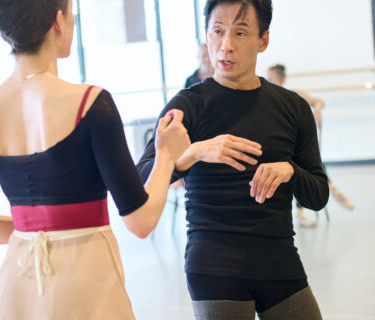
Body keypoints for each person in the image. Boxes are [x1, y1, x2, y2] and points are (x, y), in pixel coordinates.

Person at [0, 0, 190, 319]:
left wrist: (35, 227)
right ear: (58, 22)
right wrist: (166, 155)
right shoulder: (91, 104)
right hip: (86, 278)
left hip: (19, 281)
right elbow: (140, 220)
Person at [137, 0, 328, 319]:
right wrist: (194, 153)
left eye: (240, 33)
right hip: (213, 265)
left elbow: (318, 196)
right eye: (217, 31)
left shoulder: (293, 108)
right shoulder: (188, 106)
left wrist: (290, 171)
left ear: (263, 40)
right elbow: (140, 179)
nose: (225, 46)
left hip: (278, 259)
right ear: (207, 36)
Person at [266, 64, 355, 228]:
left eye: (272, 79)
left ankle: (328, 193)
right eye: (267, 79)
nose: (269, 82)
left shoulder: (294, 96)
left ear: (282, 79)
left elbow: (319, 101)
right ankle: (333, 190)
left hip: (297, 148)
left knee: (306, 168)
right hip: (282, 150)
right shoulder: (264, 98)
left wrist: (317, 111)